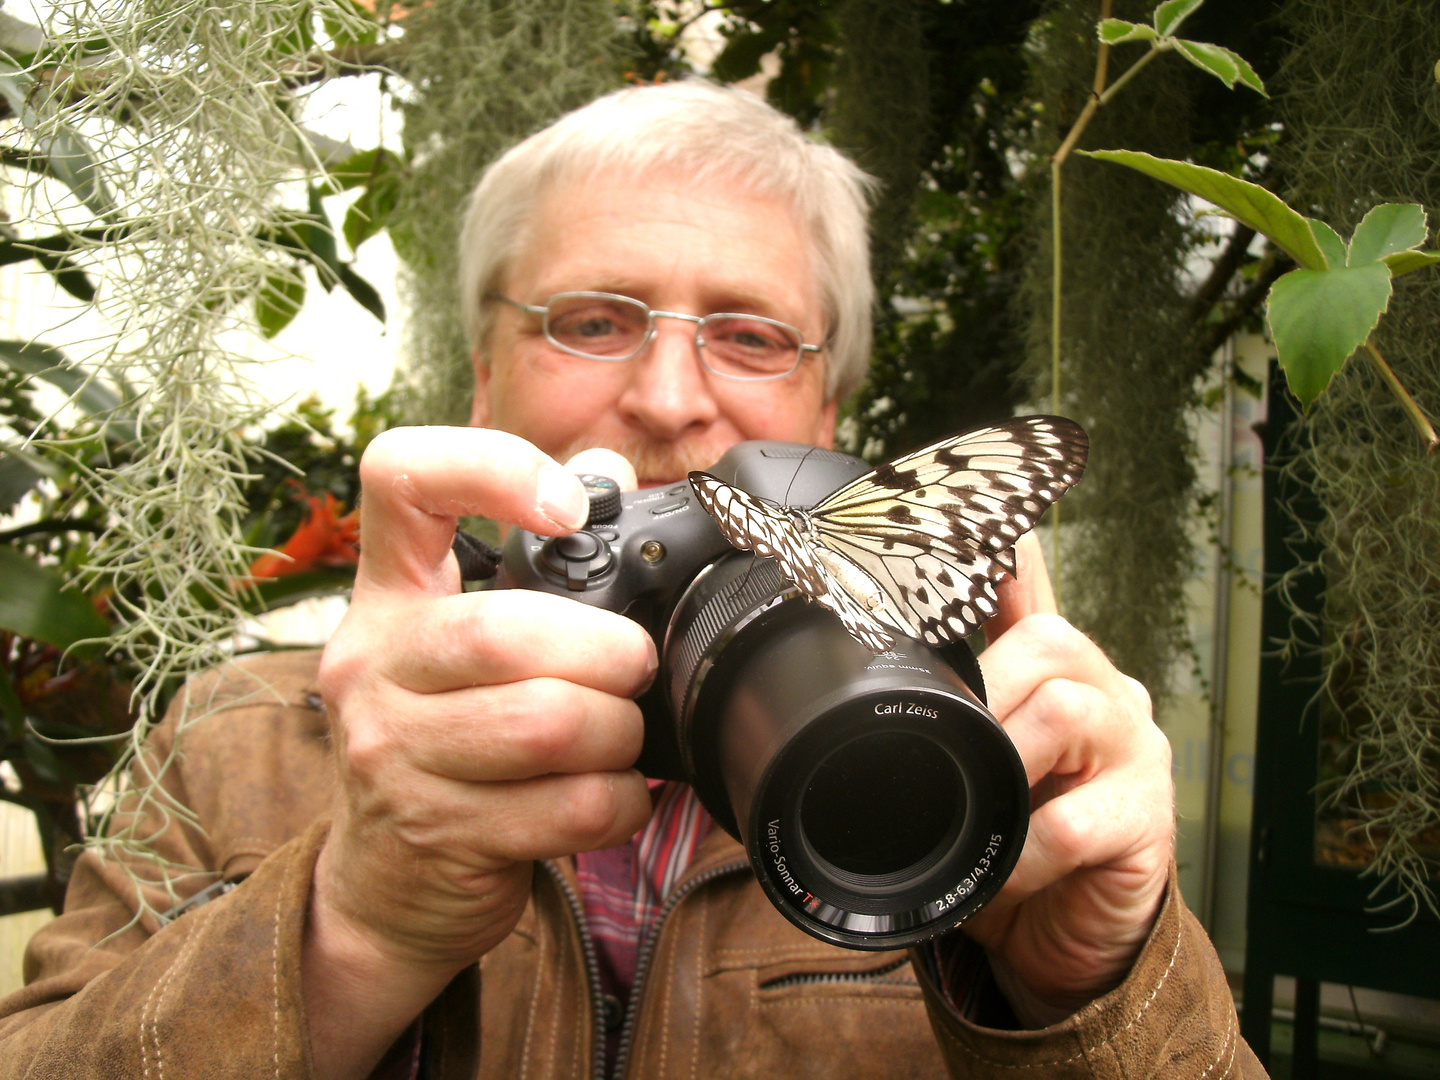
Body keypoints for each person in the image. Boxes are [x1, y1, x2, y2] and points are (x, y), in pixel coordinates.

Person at [0, 81, 1261, 1079]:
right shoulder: (239, 744)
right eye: (593, 320)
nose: (668, 398)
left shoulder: (977, 773)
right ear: (484, 381)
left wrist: (1088, 996)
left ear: (828, 408)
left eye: (751, 335)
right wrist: (353, 929)